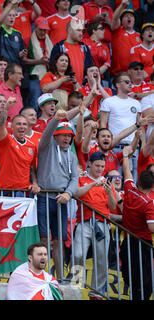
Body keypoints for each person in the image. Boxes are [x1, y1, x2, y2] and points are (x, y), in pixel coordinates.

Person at [36, 109, 79, 280]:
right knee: (44, 238)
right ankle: (42, 275)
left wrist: (68, 193)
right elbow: (46, 134)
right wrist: (56, 119)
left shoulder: (71, 155)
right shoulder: (47, 147)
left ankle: (59, 278)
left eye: (69, 135)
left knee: (59, 240)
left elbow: (75, 179)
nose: (67, 138)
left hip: (61, 199)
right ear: (56, 136)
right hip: (44, 197)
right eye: (63, 135)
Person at [73, 151, 117, 300]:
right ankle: (76, 285)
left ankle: (96, 293)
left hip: (102, 223)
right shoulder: (81, 178)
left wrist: (110, 192)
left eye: (102, 166)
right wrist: (93, 184)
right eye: (97, 165)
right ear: (90, 164)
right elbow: (76, 193)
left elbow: (112, 207)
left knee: (102, 259)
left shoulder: (107, 183)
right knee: (78, 254)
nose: (100, 169)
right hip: (84, 222)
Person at [120, 145, 154, 300]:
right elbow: (152, 227)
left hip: (127, 241)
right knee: (145, 281)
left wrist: (126, 155)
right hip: (143, 243)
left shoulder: (130, 190)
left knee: (132, 279)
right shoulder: (148, 204)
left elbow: (127, 171)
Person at [100, 72, 142, 177]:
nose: (130, 84)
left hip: (133, 148)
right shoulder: (109, 101)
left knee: (132, 183)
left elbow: (140, 128)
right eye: (127, 82)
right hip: (115, 148)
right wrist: (105, 147)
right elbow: (102, 126)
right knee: (115, 181)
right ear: (118, 84)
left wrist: (141, 147)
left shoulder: (136, 103)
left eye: (131, 82)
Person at [0, 97, 39, 196]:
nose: (22, 126)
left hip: (24, 192)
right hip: (6, 191)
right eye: (18, 124)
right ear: (12, 126)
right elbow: (1, 125)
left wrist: (35, 183)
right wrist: (6, 108)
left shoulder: (31, 146)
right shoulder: (6, 140)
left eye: (24, 124)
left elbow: (32, 168)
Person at [49, 19, 93, 89]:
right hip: (63, 89)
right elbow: (52, 68)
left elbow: (90, 69)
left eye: (82, 31)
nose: (81, 33)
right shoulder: (59, 47)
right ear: (70, 30)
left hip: (81, 90)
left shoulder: (85, 48)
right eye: (78, 30)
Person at [26, 16, 53, 110]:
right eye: (41, 29)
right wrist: (39, 61)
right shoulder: (28, 40)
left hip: (48, 77)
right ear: (35, 27)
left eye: (45, 30)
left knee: (47, 103)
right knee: (35, 101)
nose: (43, 32)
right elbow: (23, 61)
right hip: (34, 77)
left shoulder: (49, 41)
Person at [110, 1, 141, 78]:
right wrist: (122, 5)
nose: (129, 17)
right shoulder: (117, 30)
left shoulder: (140, 36)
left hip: (135, 75)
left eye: (131, 16)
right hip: (117, 74)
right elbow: (114, 18)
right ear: (121, 21)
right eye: (126, 16)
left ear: (134, 20)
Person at [0, 2, 26, 66]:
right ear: (4, 16)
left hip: (15, 67)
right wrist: (11, 4)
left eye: (14, 15)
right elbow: (0, 21)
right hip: (2, 68)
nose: (12, 17)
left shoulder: (18, 34)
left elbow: (19, 56)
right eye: (9, 15)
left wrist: (21, 54)